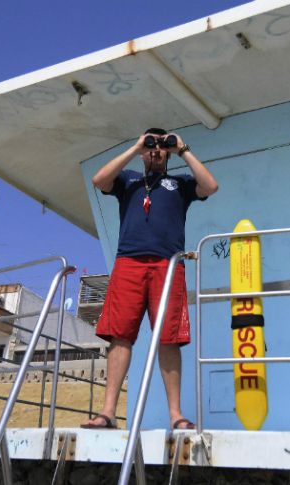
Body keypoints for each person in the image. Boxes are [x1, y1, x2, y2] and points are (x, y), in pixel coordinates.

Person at [80, 128, 218, 430]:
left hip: (168, 265)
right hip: (128, 263)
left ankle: (175, 414)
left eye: (160, 145)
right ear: (144, 151)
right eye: (150, 145)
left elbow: (210, 186)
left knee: (169, 338)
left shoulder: (179, 183)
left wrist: (183, 149)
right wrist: (135, 147)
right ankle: (108, 413)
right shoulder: (128, 180)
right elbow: (99, 180)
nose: (155, 150)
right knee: (120, 336)